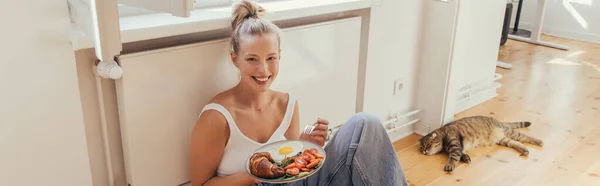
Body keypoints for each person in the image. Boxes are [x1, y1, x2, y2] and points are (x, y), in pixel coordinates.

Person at [189, 0, 409, 185]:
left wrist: (306, 146)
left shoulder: (287, 104)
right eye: (252, 59)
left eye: (271, 58)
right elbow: (200, 184)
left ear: (279, 56)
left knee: (365, 123)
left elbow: (290, 169)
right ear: (235, 59)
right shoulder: (217, 117)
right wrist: (255, 175)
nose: (263, 70)